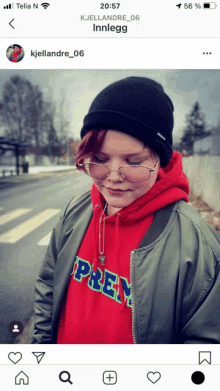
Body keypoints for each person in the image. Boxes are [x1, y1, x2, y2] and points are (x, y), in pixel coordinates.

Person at [32, 77, 220, 344]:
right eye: (99, 159)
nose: (113, 177)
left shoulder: (197, 247)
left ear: (160, 159)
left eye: (134, 162)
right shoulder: (76, 210)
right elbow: (48, 287)